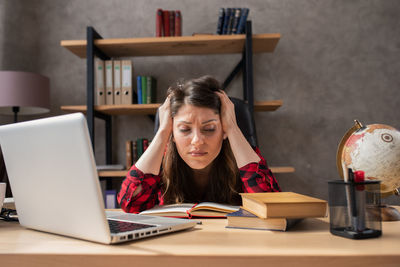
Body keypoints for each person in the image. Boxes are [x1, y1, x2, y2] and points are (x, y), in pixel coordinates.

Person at [118, 75, 280, 213]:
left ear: (223, 129)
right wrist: (162, 133)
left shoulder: (242, 156)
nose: (197, 140)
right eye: (184, 129)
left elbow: (272, 206)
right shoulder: (159, 161)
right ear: (172, 131)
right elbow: (131, 205)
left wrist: (232, 128)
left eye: (209, 128)